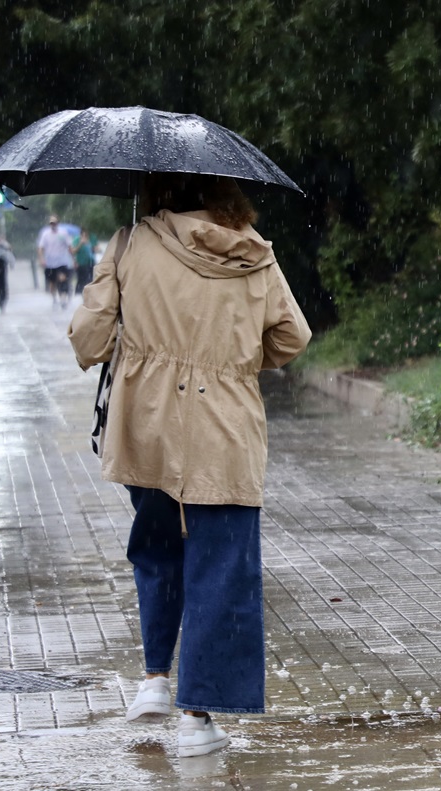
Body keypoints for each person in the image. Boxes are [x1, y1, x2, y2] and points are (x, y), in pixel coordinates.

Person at [67, 173, 311, 758]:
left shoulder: (130, 243)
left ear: (156, 191)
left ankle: (154, 678)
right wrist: (234, 358)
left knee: (156, 548)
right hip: (224, 432)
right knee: (219, 568)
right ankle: (195, 720)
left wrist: (134, 314)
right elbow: (291, 338)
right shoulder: (254, 253)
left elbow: (88, 341)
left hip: (147, 427)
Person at [37, 214, 74, 308]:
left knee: (62, 279)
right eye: (51, 223)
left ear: (58, 223)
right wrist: (41, 259)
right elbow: (41, 248)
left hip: (62, 261)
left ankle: (63, 297)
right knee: (52, 282)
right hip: (50, 262)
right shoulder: (45, 234)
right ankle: (54, 298)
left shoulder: (63, 233)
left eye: (54, 223)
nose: (53, 225)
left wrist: (73, 259)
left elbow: (69, 246)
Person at [73, 228, 95, 296]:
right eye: (83, 234)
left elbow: (93, 250)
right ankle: (78, 294)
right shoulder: (77, 239)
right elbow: (74, 251)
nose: (85, 236)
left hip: (90, 263)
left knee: (90, 280)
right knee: (81, 280)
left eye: (86, 234)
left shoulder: (90, 240)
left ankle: (88, 294)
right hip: (81, 263)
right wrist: (81, 243)